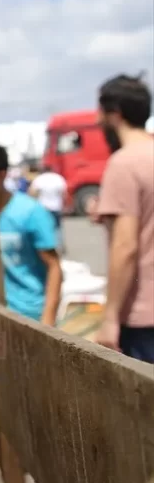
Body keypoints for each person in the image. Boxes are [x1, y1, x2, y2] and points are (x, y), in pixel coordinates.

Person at [92, 74, 154, 362]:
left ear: (115, 115)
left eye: (101, 114)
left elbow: (126, 247)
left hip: (143, 316)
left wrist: (110, 317)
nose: (97, 121)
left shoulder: (124, 164)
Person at [0, 143, 63, 325]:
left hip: (30, 315)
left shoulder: (31, 212)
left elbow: (54, 266)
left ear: (1, 175)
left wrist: (48, 318)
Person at [29, 165, 68, 253]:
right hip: (56, 207)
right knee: (57, 228)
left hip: (43, 208)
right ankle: (60, 247)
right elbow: (64, 193)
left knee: (45, 228)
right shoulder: (58, 178)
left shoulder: (39, 179)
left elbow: (32, 192)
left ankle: (48, 247)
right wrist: (64, 205)